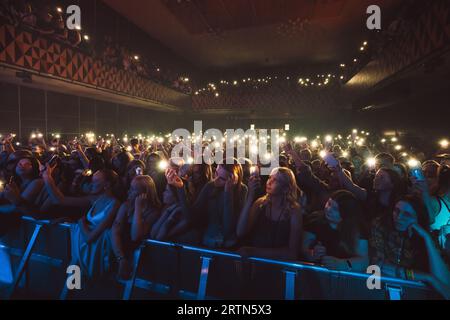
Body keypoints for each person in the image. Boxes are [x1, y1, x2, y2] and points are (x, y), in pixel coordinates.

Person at [42, 165, 120, 279]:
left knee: (91, 290)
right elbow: (59, 200)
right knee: (75, 285)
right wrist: (47, 177)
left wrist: (80, 223)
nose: (91, 184)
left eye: (95, 181)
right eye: (92, 180)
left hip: (96, 253)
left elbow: (90, 237)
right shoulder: (94, 199)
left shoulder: (115, 204)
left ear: (107, 185)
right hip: (82, 248)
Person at [370, 194, 450, 298]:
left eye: (407, 214)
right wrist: (426, 277)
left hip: (414, 292)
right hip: (383, 287)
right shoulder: (381, 225)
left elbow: (445, 281)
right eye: (396, 211)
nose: (399, 217)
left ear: (418, 218)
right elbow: (377, 266)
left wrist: (427, 239)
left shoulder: (425, 236)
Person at [166, 159, 247, 249]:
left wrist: (228, 193)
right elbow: (191, 216)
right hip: (208, 242)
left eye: (222, 178)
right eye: (216, 173)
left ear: (234, 179)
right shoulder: (210, 186)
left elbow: (228, 228)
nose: (216, 179)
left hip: (230, 246)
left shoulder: (242, 190)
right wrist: (180, 188)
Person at [236, 167, 302, 260]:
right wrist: (250, 196)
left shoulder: (293, 211)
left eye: (276, 180)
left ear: (286, 188)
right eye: (270, 177)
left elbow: (292, 253)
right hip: (257, 265)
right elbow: (240, 232)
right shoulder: (260, 203)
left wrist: (254, 251)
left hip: (279, 267)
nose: (269, 182)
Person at [302, 190, 369, 271]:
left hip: (345, 278)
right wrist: (312, 254)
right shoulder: (315, 220)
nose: (328, 209)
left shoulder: (357, 229)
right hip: (316, 274)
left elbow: (364, 261)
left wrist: (341, 264)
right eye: (329, 203)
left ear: (346, 213)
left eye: (335, 209)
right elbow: (303, 249)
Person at [111, 175, 161, 280]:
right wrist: (121, 258)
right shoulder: (125, 206)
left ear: (144, 194)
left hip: (141, 260)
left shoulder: (154, 212)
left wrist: (138, 208)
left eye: (133, 189)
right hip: (117, 252)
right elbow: (115, 231)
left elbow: (135, 236)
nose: (129, 191)